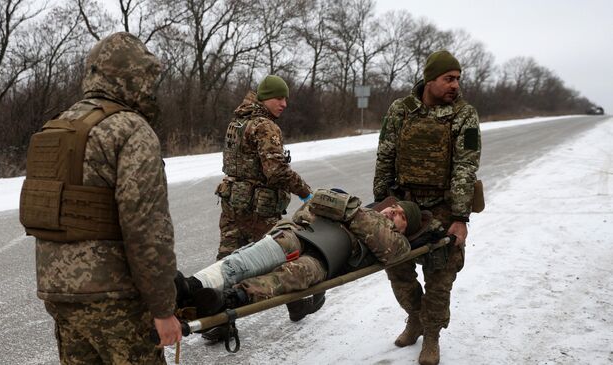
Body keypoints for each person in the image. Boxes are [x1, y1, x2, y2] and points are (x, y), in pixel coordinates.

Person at [19, 32, 181, 364]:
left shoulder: (57, 126)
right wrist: (163, 309)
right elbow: (146, 229)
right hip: (114, 299)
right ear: (132, 76)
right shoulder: (131, 130)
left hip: (59, 295)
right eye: (147, 78)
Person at [176, 188, 445, 322]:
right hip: (304, 235)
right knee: (254, 256)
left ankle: (227, 298)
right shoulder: (365, 213)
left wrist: (347, 210)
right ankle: (193, 285)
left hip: (326, 261)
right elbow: (313, 205)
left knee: (292, 277)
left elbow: (387, 247)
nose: (392, 212)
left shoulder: (398, 243)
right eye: (394, 208)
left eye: (400, 217)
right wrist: (347, 210)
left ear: (404, 228)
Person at [373, 50, 481, 365]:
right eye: (449, 79)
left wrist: (461, 217)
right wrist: (382, 201)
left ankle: (431, 335)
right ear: (430, 80)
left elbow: (465, 167)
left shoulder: (464, 115)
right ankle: (415, 317)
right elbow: (385, 156)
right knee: (396, 267)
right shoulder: (400, 110)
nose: (455, 85)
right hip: (404, 206)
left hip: (445, 207)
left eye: (458, 79)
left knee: (440, 274)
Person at [206, 75, 312, 341]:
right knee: (282, 255)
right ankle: (298, 305)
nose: (284, 103)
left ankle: (219, 323)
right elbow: (276, 171)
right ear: (265, 98)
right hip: (260, 210)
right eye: (279, 97)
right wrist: (305, 192)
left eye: (286, 98)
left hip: (233, 205)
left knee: (226, 264)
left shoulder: (237, 122)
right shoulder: (265, 126)